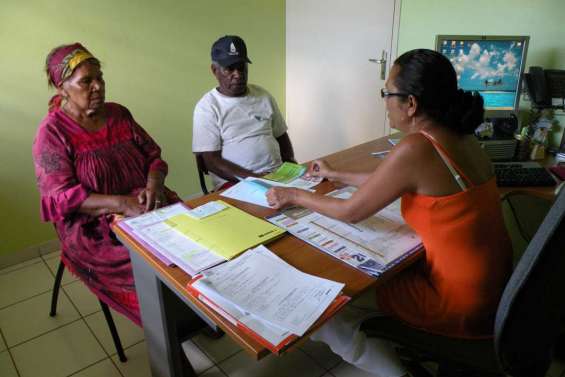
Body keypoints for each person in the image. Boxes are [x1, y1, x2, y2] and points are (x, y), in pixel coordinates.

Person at [266, 49, 513, 377]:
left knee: (326, 312)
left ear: (410, 104)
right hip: (495, 295)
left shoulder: (416, 148)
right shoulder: (461, 138)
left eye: (387, 93)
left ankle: (398, 373)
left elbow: (351, 211)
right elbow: (393, 180)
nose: (384, 102)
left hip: (457, 305)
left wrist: (293, 194)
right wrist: (336, 174)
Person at [33, 43, 178, 326]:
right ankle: (170, 338)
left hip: (147, 205)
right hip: (93, 228)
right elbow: (62, 198)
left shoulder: (119, 114)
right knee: (148, 270)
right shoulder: (52, 133)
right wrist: (122, 203)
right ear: (61, 87)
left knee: (191, 245)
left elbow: (153, 156)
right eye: (86, 81)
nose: (98, 86)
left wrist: (154, 185)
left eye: (100, 77)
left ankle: (193, 314)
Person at [192, 35, 295, 189]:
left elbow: (281, 136)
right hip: (235, 183)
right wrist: (254, 179)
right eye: (230, 69)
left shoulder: (263, 95)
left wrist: (292, 167)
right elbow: (211, 161)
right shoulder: (207, 107)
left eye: (241, 67)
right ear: (215, 70)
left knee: (317, 197)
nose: (238, 74)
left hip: (276, 175)